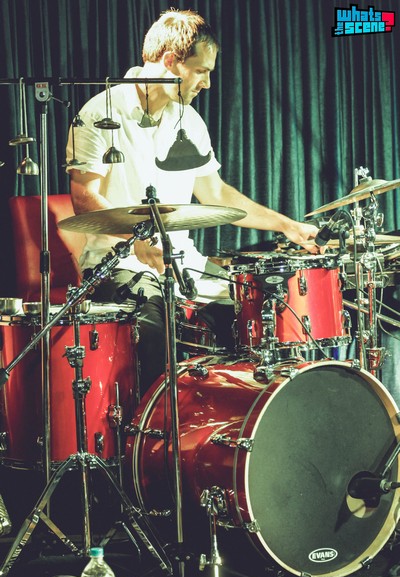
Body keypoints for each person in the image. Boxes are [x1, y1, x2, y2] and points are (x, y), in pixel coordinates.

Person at [65, 9, 319, 398]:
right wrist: (136, 239)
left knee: (255, 313)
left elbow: (216, 194)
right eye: (201, 71)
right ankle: (153, 425)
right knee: (154, 326)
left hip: (183, 264)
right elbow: (84, 196)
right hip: (117, 265)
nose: (208, 83)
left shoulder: (190, 122)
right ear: (171, 61)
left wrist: (288, 225)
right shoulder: (100, 112)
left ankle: (232, 421)